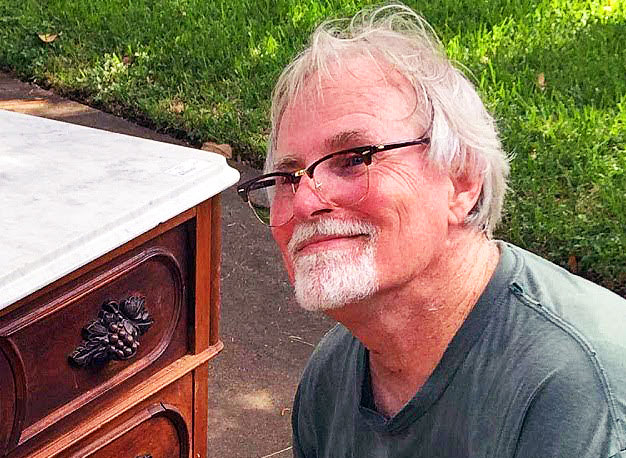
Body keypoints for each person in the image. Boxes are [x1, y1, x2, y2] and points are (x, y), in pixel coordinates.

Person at [236, 3, 626, 457]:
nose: (303, 200)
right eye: (286, 178)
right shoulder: (331, 380)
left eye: (354, 158)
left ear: (461, 180)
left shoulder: (577, 396)